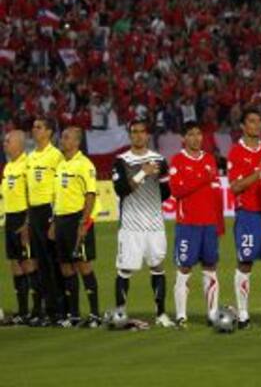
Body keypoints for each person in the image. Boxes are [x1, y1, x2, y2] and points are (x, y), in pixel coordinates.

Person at [111, 119, 174, 327]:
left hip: (154, 226)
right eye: (134, 132)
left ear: (147, 135)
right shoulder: (121, 161)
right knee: (125, 270)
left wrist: (151, 202)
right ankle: (120, 315)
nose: (138, 135)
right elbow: (121, 190)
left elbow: (166, 192)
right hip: (131, 226)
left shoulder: (159, 160)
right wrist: (142, 173)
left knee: (157, 267)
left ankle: (161, 314)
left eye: (142, 132)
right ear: (130, 135)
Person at [169, 122, 223, 327]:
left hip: (209, 224)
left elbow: (216, 192)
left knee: (210, 267)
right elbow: (176, 190)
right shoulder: (178, 160)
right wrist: (201, 178)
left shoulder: (209, 159)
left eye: (198, 134)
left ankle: (212, 313)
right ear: (184, 138)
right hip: (188, 224)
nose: (196, 138)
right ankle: (181, 315)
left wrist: (219, 223)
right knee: (184, 268)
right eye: (191, 134)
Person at [227, 108, 261, 329]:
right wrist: (259, 172)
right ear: (243, 126)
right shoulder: (236, 152)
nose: (257, 125)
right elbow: (236, 187)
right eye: (252, 121)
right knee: (245, 262)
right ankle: (243, 314)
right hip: (248, 214)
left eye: (259, 121)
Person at [52, 126, 102, 327]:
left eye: (66, 137)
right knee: (65, 267)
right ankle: (73, 315)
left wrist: (84, 221)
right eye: (62, 137)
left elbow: (90, 194)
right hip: (61, 220)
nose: (62, 140)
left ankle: (95, 314)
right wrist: (54, 222)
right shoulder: (61, 164)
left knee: (83, 265)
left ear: (76, 142)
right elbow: (58, 196)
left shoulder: (85, 164)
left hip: (77, 220)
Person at [26, 117, 64, 323]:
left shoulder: (56, 155)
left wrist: (55, 219)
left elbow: (61, 188)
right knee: (40, 262)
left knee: (53, 261)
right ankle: (48, 309)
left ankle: (61, 309)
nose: (34, 130)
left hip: (49, 211)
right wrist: (27, 219)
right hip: (34, 212)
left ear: (49, 132)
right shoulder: (30, 156)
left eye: (39, 127)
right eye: (33, 127)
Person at [3, 129, 43, 326]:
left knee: (29, 264)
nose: (4, 144)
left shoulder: (27, 165)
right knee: (15, 265)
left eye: (8, 141)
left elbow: (31, 195)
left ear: (19, 144)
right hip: (10, 218)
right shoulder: (8, 166)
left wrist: (27, 223)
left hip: (22, 218)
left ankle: (37, 310)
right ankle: (22, 311)